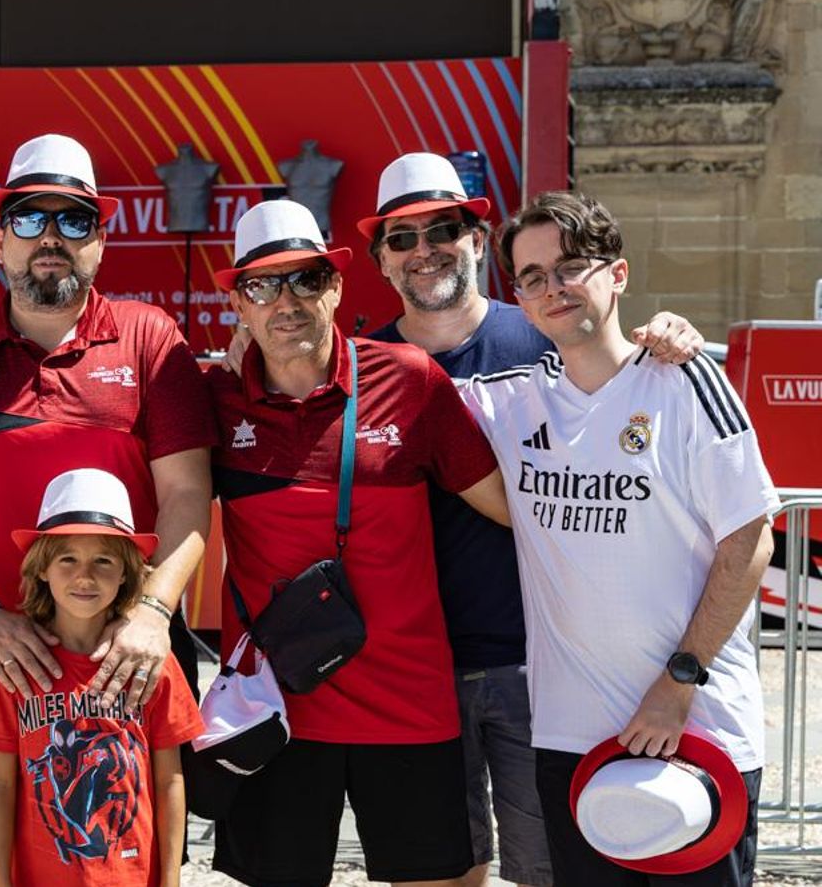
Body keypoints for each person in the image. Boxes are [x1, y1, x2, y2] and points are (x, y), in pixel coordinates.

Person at [356, 153, 704, 887]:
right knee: (436, 874)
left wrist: (671, 335)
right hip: (413, 670)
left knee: (555, 872)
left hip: (543, 669)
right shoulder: (360, 367)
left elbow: (632, 402)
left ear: (478, 240)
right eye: (402, 237)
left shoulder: (549, 332)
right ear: (381, 260)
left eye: (443, 228)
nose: (425, 250)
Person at [0, 133, 216, 887]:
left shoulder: (148, 341)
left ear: (99, 242)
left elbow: (187, 495)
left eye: (73, 221)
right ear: (0, 239)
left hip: (118, 653)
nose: (51, 239)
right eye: (31, 220)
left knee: (126, 859)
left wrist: (152, 615)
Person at [457, 191, 777, 887]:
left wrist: (678, 681)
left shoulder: (687, 381)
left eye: (570, 267)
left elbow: (751, 540)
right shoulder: (508, 401)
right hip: (574, 741)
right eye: (533, 277)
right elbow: (388, 383)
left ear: (619, 275)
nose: (553, 289)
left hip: (696, 727)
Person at [207, 198, 511, 887]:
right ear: (240, 305)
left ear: (337, 287)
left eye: (306, 280)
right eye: (263, 285)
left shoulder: (409, 378)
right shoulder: (214, 400)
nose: (286, 303)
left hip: (408, 705)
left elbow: (515, 512)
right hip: (277, 709)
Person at [0, 468, 203, 887]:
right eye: (67, 558)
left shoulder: (152, 665)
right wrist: (0, 880)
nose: (84, 576)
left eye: (103, 560)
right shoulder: (13, 666)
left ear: (127, 571)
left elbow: (170, 779)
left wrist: (172, 879)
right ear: (41, 569)